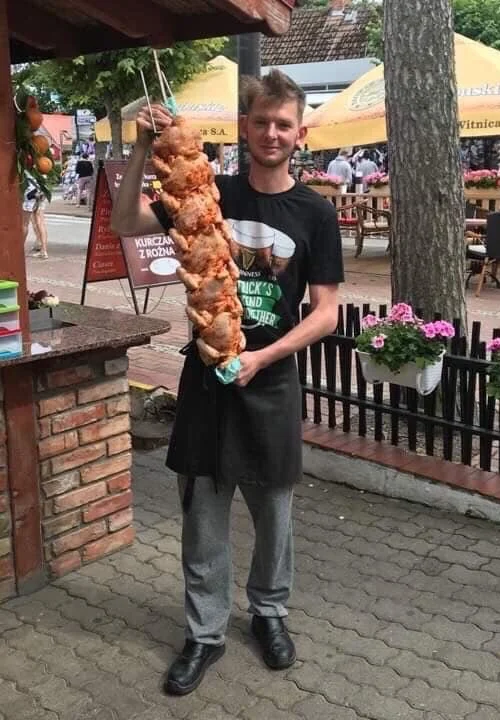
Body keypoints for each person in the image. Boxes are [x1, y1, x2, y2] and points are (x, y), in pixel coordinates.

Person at [111, 69, 343, 696]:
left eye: (284, 124)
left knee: (275, 516)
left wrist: (264, 359)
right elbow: (126, 223)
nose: (272, 132)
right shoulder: (208, 193)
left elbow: (326, 312)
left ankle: (269, 615)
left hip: (270, 381)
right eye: (262, 121)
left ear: (299, 133)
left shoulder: (315, 213)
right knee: (203, 516)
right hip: (207, 380)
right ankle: (204, 633)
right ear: (245, 127)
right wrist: (138, 149)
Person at [22, 172, 49, 259]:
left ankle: (20, 249)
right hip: (41, 192)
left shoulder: (26, 168)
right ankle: (44, 250)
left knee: (24, 224)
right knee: (41, 222)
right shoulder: (41, 166)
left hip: (29, 195)